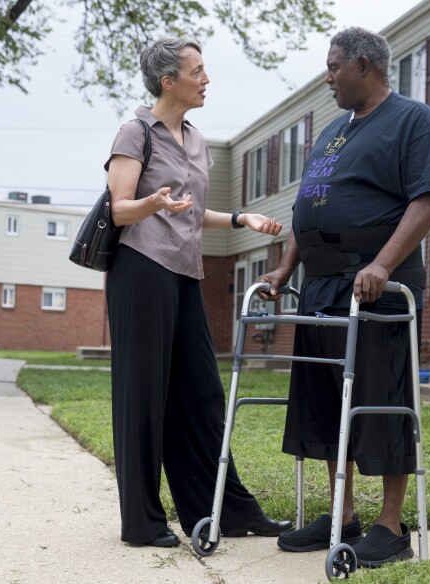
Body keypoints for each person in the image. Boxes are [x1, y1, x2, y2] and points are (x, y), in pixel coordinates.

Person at [258, 27, 430, 567]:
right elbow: (309, 205)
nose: (328, 78)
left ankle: (390, 527)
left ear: (364, 65)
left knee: (381, 400)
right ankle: (342, 516)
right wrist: (283, 269)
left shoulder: (414, 121)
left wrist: (382, 263)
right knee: (326, 402)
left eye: (333, 66)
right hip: (322, 289)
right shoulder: (332, 133)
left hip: (379, 291)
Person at [105, 37, 291, 548]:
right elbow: (119, 207)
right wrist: (152, 205)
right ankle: (141, 523)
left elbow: (186, 208)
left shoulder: (196, 138)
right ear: (170, 81)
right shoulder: (135, 131)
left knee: (204, 395)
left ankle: (224, 510)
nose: (207, 79)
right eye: (198, 70)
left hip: (184, 272)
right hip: (140, 270)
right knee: (144, 396)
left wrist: (238, 218)